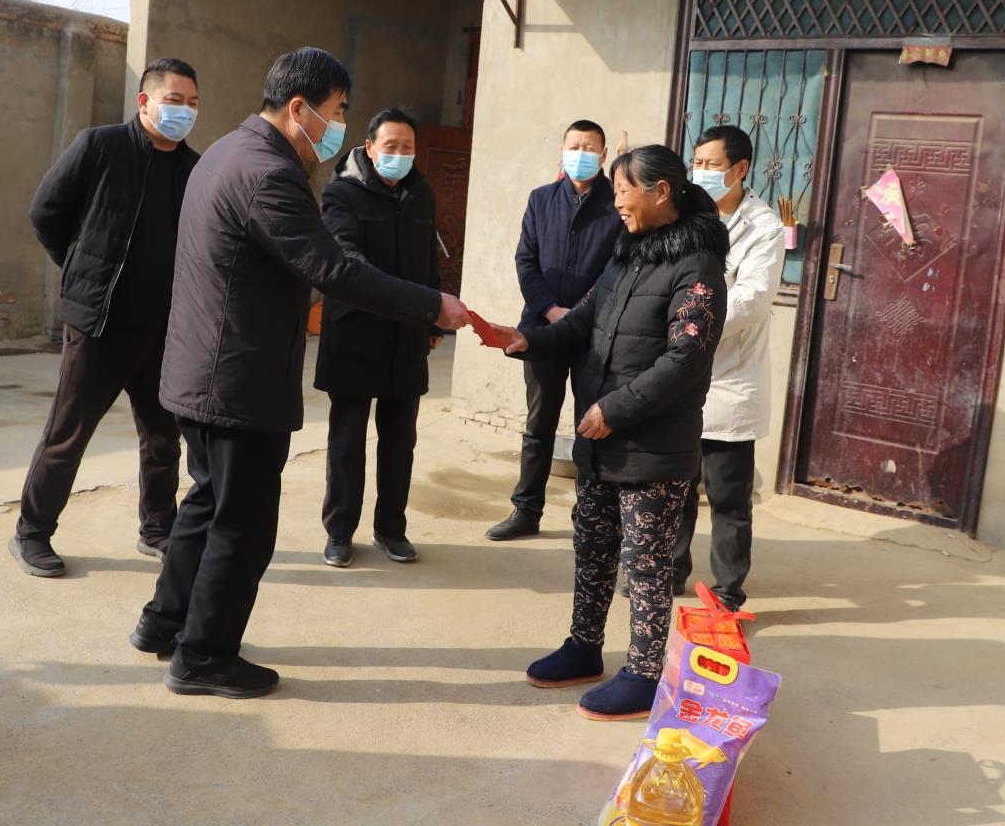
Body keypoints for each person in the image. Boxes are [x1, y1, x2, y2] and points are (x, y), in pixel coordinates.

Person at [128, 47, 470, 699]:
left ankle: (165, 621)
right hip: (237, 378)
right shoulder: (269, 173)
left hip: (201, 368)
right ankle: (203, 656)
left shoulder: (226, 152)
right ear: (298, 108)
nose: (340, 125)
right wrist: (432, 305)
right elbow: (332, 269)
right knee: (243, 524)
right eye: (337, 111)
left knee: (207, 502)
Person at [495, 144, 727, 721]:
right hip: (601, 438)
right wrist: (527, 340)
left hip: (652, 445)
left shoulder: (698, 266)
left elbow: (685, 360)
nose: (616, 200)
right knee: (592, 548)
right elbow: (582, 321)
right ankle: (583, 647)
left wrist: (614, 410)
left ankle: (645, 675)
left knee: (645, 566)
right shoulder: (626, 253)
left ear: (661, 192)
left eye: (624, 189)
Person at [8, 57, 201, 578]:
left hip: (164, 331)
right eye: (174, 100)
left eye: (192, 103)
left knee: (162, 439)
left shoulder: (195, 169)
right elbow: (46, 211)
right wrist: (80, 268)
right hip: (99, 325)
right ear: (145, 101)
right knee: (67, 434)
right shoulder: (101, 146)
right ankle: (31, 532)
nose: (184, 111)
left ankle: (157, 530)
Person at [315, 107, 443, 569]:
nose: (400, 154)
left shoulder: (420, 193)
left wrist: (433, 321)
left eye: (408, 147)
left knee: (400, 441)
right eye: (391, 146)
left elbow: (429, 260)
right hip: (355, 332)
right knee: (347, 442)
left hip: (406, 337)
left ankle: (391, 529)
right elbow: (346, 259)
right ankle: (339, 532)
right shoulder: (341, 192)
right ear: (370, 148)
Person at [486, 120, 624, 541]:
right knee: (539, 423)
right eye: (574, 146)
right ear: (562, 151)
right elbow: (526, 261)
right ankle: (526, 510)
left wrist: (578, 314)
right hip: (541, 330)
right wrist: (549, 310)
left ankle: (589, 514)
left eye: (590, 147)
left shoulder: (616, 205)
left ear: (603, 155)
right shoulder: (541, 199)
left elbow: (616, 270)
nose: (581, 153)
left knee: (591, 424)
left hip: (593, 333)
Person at [672, 125, 785, 609]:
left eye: (712, 165)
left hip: (729, 378)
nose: (701, 172)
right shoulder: (685, 213)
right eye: (696, 163)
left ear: (740, 169)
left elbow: (751, 300)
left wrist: (689, 322)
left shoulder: (764, 227)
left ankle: (726, 592)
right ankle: (669, 571)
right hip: (680, 373)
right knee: (674, 486)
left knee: (727, 497)